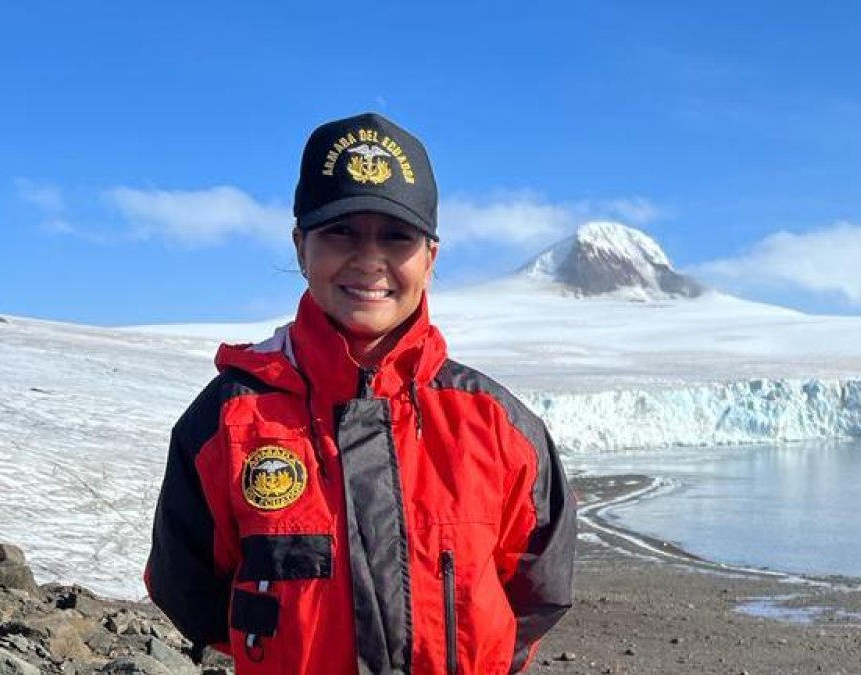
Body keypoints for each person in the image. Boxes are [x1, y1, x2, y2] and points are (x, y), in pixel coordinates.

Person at [145, 112, 576, 675]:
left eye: (396, 236)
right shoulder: (227, 420)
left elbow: (539, 586)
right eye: (340, 231)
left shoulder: (497, 426)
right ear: (302, 247)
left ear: (430, 258)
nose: (369, 259)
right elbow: (188, 589)